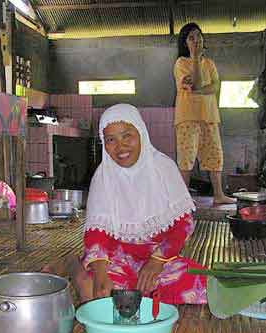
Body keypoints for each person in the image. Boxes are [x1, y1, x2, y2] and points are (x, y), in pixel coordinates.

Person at [62, 104, 207, 305]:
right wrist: (101, 275)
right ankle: (73, 265)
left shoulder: (164, 168)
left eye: (127, 136)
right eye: (111, 140)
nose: (120, 147)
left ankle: (77, 266)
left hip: (159, 256)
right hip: (116, 258)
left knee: (200, 287)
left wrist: (157, 261)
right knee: (94, 293)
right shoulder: (103, 177)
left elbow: (183, 225)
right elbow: (97, 234)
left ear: (141, 133)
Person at [174, 22, 236, 206]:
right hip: (188, 118)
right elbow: (198, 85)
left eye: (198, 36)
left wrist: (201, 88)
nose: (196, 40)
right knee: (186, 158)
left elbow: (215, 87)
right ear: (185, 43)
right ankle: (183, 198)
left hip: (209, 116)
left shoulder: (209, 63)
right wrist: (194, 58)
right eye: (191, 37)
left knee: (215, 155)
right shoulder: (181, 63)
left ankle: (218, 195)